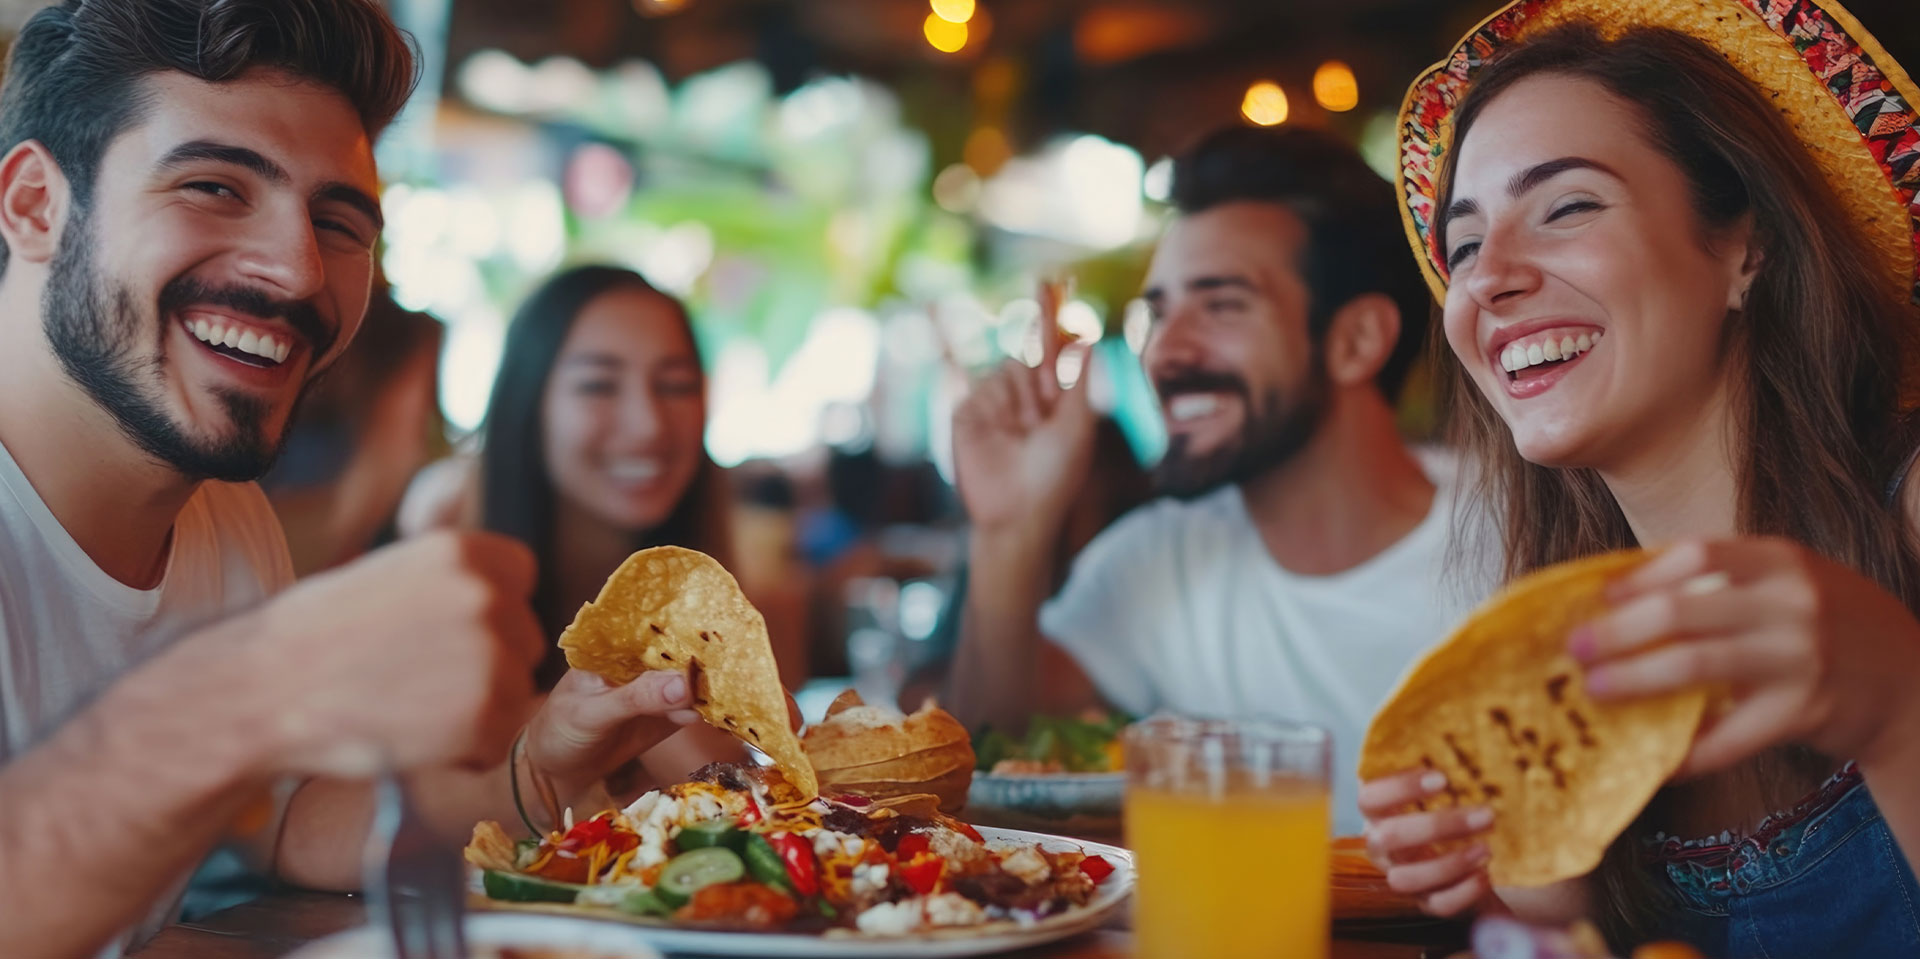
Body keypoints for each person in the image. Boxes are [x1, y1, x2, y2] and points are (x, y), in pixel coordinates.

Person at [0, 3, 706, 955]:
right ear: (36, 204)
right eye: (213, 186)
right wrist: (255, 684)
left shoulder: (225, 519)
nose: (296, 272)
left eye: (339, 223)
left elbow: (287, 820)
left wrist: (537, 769)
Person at [1357, 4, 1920, 955]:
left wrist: (1899, 705)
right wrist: (1542, 897)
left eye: (1567, 206)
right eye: (1462, 246)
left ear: (1747, 245)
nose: (1488, 277)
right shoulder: (1556, 663)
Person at [948, 126, 1484, 835]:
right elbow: (987, 762)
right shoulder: (1155, 556)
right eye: (1159, 311)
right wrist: (1008, 529)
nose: (1166, 349)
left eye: (1222, 304)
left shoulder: (1531, 533)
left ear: (1355, 340)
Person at [400, 266, 810, 692]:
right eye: (599, 385)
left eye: (676, 385)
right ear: (526, 406)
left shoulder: (749, 616)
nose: (649, 425)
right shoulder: (443, 598)